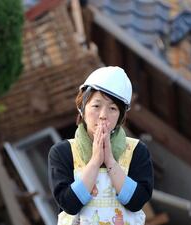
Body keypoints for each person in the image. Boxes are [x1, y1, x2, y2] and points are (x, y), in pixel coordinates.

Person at [48, 66, 153, 225]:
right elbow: (69, 204)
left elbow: (137, 202)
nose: (103, 115)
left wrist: (110, 160)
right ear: (82, 107)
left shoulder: (137, 151)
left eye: (112, 108)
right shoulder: (63, 152)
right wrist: (96, 160)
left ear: (120, 117)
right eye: (96, 106)